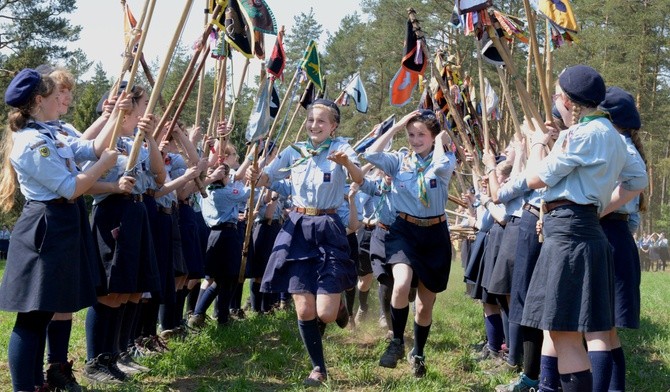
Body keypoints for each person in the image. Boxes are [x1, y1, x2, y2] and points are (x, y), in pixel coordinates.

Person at [522, 65, 648, 391]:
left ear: (566, 99)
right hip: (587, 229)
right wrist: (600, 208)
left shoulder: (582, 134)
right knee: (583, 330)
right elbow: (638, 180)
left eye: (556, 94)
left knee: (564, 334)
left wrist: (537, 143)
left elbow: (534, 178)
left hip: (567, 235)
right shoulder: (615, 136)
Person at [0, 68, 118, 392]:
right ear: (39, 101)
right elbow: (69, 187)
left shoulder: (51, 131)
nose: (61, 101)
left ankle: (39, 383)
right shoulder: (33, 142)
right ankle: (27, 387)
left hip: (62, 224)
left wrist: (115, 116)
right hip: (45, 227)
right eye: (56, 97)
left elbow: (88, 148)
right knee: (33, 316)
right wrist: (103, 167)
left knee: (45, 310)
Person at [246, 98, 363, 386]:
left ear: (333, 126)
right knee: (304, 308)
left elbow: (358, 177)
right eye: (311, 120)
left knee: (324, 312)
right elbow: (267, 179)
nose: (314, 125)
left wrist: (346, 163)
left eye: (321, 121)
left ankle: (337, 306)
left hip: (329, 227)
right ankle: (318, 368)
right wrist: (257, 176)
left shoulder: (341, 149)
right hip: (297, 227)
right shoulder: (293, 151)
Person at [365, 109, 456, 378]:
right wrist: (395, 128)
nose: (415, 140)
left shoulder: (445, 158)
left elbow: (439, 167)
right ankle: (396, 342)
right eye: (411, 134)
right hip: (404, 231)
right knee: (401, 284)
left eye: (421, 135)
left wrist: (440, 142)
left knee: (425, 306)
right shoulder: (399, 160)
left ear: (433, 136)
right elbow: (370, 154)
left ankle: (418, 351)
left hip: (435, 234)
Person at [597, 86, 648, 391]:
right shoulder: (622, 144)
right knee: (607, 330)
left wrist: (597, 212)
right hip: (615, 235)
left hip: (607, 234)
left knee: (601, 329)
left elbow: (633, 187)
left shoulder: (620, 147)